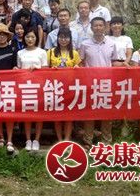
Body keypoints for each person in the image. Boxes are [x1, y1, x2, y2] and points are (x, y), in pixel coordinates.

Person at [78, 18, 119, 148]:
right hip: (90, 84)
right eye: (95, 25)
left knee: (107, 113)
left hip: (107, 84)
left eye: (101, 25)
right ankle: (88, 141)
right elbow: (81, 62)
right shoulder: (85, 44)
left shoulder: (112, 43)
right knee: (90, 112)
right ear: (91, 28)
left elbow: (114, 62)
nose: (98, 28)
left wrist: (125, 65)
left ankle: (106, 141)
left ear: (105, 27)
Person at [17, 27, 48, 151]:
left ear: (36, 38)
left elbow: (46, 70)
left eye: (32, 37)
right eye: (28, 37)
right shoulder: (20, 53)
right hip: (25, 87)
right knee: (27, 115)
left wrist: (37, 70)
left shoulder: (42, 52)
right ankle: (28, 139)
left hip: (39, 87)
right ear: (24, 38)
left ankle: (37, 140)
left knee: (38, 115)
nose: (30, 39)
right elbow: (18, 70)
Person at [47, 29, 80, 142]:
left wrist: (77, 68)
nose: (63, 40)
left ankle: (67, 138)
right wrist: (51, 70)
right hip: (55, 87)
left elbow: (80, 70)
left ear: (70, 39)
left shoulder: (74, 53)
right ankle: (59, 139)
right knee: (58, 115)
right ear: (57, 38)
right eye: (61, 37)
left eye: (66, 37)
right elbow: (45, 69)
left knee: (69, 115)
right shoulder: (50, 52)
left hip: (70, 88)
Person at [0, 24, 18, 153]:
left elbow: (15, 66)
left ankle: (10, 139)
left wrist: (15, 69)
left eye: (4, 35)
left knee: (9, 113)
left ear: (7, 36)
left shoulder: (13, 50)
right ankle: (1, 138)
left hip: (10, 86)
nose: (1, 37)